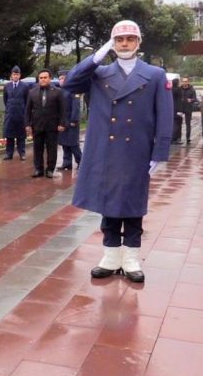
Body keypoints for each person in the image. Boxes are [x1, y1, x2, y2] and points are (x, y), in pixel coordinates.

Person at [64, 20, 173, 283]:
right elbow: (69, 83)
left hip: (137, 149)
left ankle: (132, 257)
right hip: (107, 149)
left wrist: (159, 152)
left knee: (133, 204)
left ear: (138, 43)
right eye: (119, 39)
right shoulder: (99, 73)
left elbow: (165, 115)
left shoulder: (155, 75)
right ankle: (110, 255)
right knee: (109, 202)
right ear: (112, 44)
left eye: (130, 39)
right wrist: (95, 57)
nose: (125, 44)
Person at [25, 68, 66, 178]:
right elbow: (28, 110)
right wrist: (27, 124)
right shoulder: (32, 92)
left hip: (52, 126)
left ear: (50, 78)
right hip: (37, 125)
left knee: (51, 148)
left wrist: (62, 123)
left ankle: (50, 169)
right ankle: (38, 169)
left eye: (45, 77)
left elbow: (62, 109)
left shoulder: (57, 92)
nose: (43, 80)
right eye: (41, 78)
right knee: (37, 148)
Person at [2, 66, 29, 160]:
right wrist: (10, 109)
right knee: (9, 136)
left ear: (20, 75)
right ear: (11, 75)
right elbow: (5, 100)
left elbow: (27, 100)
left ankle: (22, 153)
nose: (15, 76)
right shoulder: (7, 86)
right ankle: (9, 154)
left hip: (21, 115)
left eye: (17, 74)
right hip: (10, 115)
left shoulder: (25, 86)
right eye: (14, 74)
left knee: (21, 136)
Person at [57, 70, 82, 170]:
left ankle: (81, 161)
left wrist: (74, 120)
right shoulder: (60, 91)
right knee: (64, 143)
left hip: (71, 121)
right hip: (62, 122)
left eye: (63, 78)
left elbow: (76, 107)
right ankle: (67, 163)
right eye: (60, 79)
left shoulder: (73, 90)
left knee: (73, 144)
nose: (61, 80)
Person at [180, 77, 197, 143]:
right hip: (180, 108)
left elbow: (195, 98)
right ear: (182, 82)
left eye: (186, 81)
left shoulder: (192, 89)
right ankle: (178, 137)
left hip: (188, 108)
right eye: (183, 81)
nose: (185, 83)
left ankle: (188, 138)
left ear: (188, 82)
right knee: (179, 123)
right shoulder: (180, 89)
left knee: (188, 123)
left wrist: (191, 100)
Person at [171, 78, 183, 145]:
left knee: (174, 124)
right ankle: (174, 139)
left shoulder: (171, 89)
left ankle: (173, 138)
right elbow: (179, 101)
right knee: (177, 125)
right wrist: (180, 110)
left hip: (173, 108)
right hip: (177, 109)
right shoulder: (178, 90)